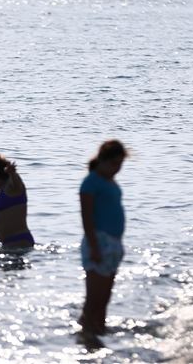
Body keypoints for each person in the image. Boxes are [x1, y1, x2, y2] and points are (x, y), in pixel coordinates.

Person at [78, 140, 128, 335]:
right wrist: (94, 246)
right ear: (103, 160)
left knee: (105, 298)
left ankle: (99, 334)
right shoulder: (90, 182)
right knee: (93, 300)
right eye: (114, 164)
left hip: (113, 244)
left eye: (120, 164)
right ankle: (86, 337)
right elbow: (86, 217)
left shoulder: (110, 180)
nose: (117, 169)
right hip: (97, 243)